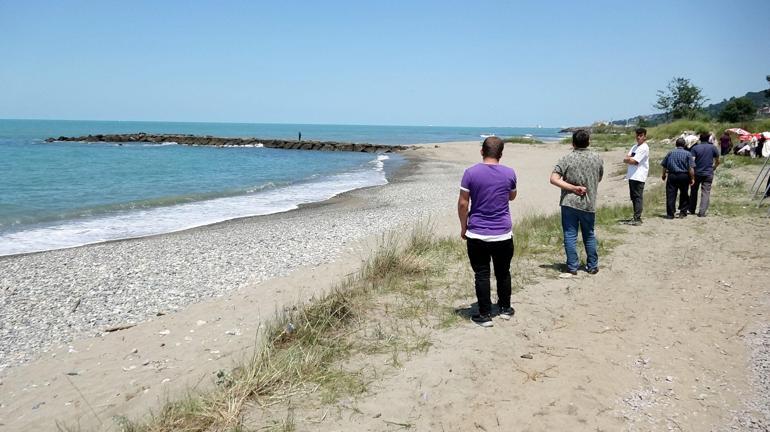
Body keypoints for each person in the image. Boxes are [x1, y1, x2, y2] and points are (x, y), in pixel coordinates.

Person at [458, 136, 517, 327]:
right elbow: (512, 196)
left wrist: (463, 226)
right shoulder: (509, 173)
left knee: (482, 274)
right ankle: (505, 308)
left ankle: (484, 314)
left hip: (478, 233)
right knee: (503, 272)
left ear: (482, 151)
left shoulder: (470, 173)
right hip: (502, 233)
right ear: (500, 154)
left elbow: (463, 203)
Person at [549, 129, 604, 276]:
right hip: (588, 202)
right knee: (589, 234)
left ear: (573, 143)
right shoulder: (597, 158)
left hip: (569, 202)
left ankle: (572, 266)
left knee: (570, 234)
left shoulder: (567, 158)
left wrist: (573, 187)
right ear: (588, 142)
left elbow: (553, 179)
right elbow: (599, 178)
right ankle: (592, 266)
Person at [661, 138, 695, 219]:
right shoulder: (688, 154)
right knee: (684, 194)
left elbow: (664, 165)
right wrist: (692, 178)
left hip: (672, 175)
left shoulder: (670, 153)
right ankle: (682, 212)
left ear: (676, 144)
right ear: (684, 145)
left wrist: (663, 175)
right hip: (684, 175)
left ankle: (670, 213)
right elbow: (691, 168)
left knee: (670, 194)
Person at [689, 132, 720, 217]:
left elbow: (692, 161)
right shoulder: (713, 148)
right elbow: (718, 161)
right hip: (708, 172)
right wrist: (714, 167)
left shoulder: (695, 148)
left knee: (693, 191)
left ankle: (691, 209)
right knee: (706, 192)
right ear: (708, 138)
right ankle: (702, 212)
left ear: (700, 138)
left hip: (697, 172)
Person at [623, 127, 650, 225]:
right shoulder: (634, 147)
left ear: (644, 137)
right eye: (637, 135)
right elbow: (626, 157)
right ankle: (635, 216)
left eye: (641, 135)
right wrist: (628, 159)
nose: (638, 137)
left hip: (639, 175)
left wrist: (629, 159)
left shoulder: (644, 147)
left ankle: (637, 218)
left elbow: (634, 161)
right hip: (631, 175)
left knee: (638, 197)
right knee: (633, 197)